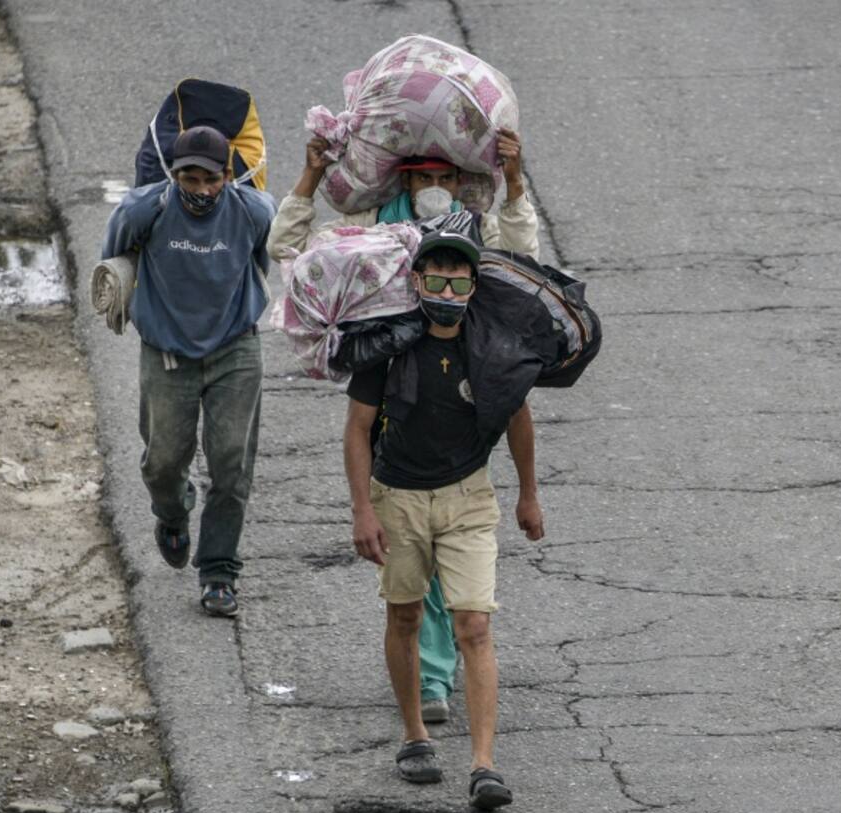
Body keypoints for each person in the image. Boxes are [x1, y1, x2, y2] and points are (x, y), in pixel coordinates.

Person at [268, 127, 540, 724]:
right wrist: (310, 177)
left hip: (463, 403)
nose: (436, 189)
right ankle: (424, 679)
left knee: (455, 550)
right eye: (424, 179)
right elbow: (289, 250)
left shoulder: (474, 229)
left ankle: (437, 677)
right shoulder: (370, 226)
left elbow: (522, 261)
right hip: (398, 400)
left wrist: (515, 182)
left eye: (447, 178)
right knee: (413, 567)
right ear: (407, 181)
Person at [343, 228, 544, 810]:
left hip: (468, 498)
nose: (448, 291)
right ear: (417, 281)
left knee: (474, 627)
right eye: (437, 279)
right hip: (397, 496)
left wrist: (528, 494)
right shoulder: (387, 346)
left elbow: (518, 419)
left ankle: (484, 765)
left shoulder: (492, 349)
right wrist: (363, 510)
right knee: (403, 616)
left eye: (459, 281)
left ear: (473, 286)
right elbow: (358, 431)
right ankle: (415, 737)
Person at [101, 125, 276, 618]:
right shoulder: (144, 209)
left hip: (235, 351)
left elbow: (262, 260)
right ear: (174, 174)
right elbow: (114, 260)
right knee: (162, 462)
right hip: (167, 355)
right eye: (191, 179)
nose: (201, 190)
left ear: (228, 175)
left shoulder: (254, 211)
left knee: (231, 465)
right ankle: (173, 513)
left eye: (212, 180)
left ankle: (219, 571)